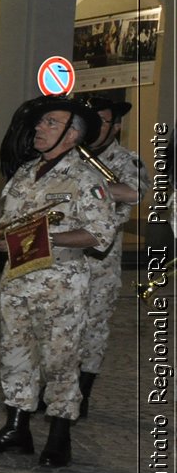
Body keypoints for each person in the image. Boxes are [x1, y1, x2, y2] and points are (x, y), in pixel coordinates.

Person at [0, 96, 118, 467]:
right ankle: (16, 429)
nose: (39, 128)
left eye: (51, 123)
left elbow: (101, 235)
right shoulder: (24, 173)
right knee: (16, 355)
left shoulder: (86, 179)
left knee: (61, 360)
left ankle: (59, 436)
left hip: (61, 285)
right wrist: (5, 240)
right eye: (41, 123)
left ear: (72, 135)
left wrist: (48, 239)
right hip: (18, 281)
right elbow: (10, 224)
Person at [77, 96, 148, 416]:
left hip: (100, 262)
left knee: (92, 328)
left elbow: (132, 192)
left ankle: (82, 392)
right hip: (63, 255)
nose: (93, 128)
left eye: (101, 121)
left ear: (116, 126)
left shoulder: (125, 160)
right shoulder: (72, 154)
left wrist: (87, 184)